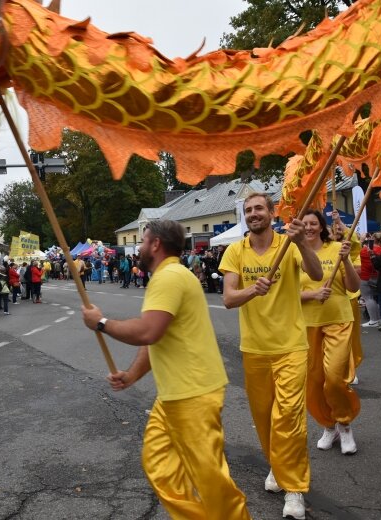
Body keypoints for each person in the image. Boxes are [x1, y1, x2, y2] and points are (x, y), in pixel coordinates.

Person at [81, 220, 250, 520]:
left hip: (194, 393)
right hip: (174, 395)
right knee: (160, 467)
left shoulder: (169, 276)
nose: (141, 246)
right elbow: (158, 337)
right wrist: (131, 375)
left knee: (210, 480)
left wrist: (101, 323)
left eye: (144, 240)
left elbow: (148, 331)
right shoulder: (168, 275)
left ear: (156, 244)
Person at [220, 193, 323, 520]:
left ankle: (294, 489)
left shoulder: (289, 244)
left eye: (259, 208)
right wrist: (253, 289)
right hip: (254, 350)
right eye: (248, 210)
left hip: (291, 346)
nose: (253, 214)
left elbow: (317, 274)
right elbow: (228, 298)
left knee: (289, 418)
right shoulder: (235, 251)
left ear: (271, 212)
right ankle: (278, 467)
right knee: (265, 419)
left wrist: (303, 244)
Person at [298, 209, 361, 455]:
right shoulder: (294, 253)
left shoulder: (336, 248)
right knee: (314, 382)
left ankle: (344, 424)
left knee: (334, 378)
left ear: (321, 226)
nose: (310, 227)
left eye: (314, 223)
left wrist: (345, 260)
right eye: (305, 224)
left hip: (338, 320)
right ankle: (328, 425)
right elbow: (285, 294)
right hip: (307, 324)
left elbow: (353, 287)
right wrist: (313, 294)